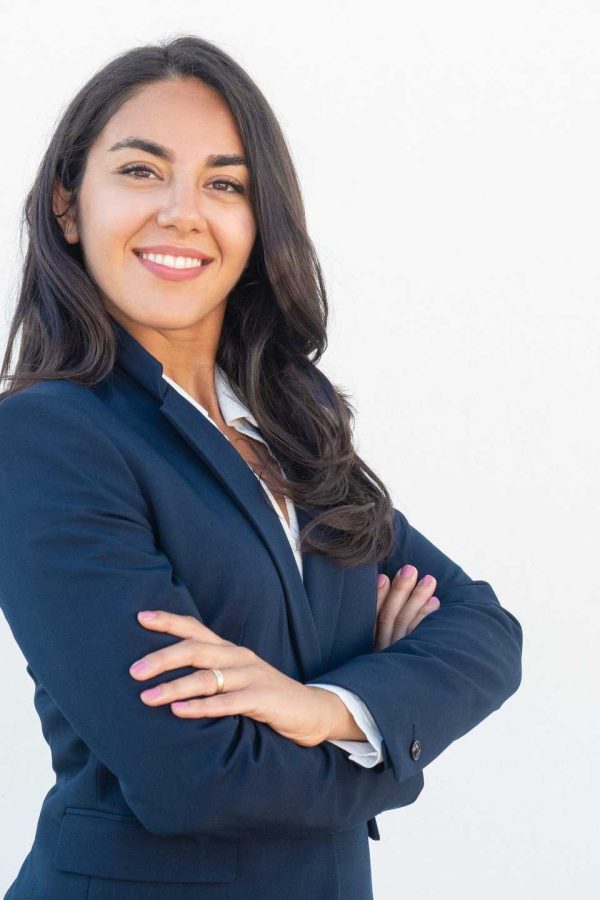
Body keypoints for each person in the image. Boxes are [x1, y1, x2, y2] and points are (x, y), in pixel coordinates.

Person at [0, 35, 523, 900]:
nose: (182, 211)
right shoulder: (48, 439)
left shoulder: (290, 423)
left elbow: (482, 631)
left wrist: (322, 708)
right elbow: (193, 777)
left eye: (225, 183)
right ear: (67, 205)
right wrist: (388, 735)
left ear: (257, 219)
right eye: (140, 171)